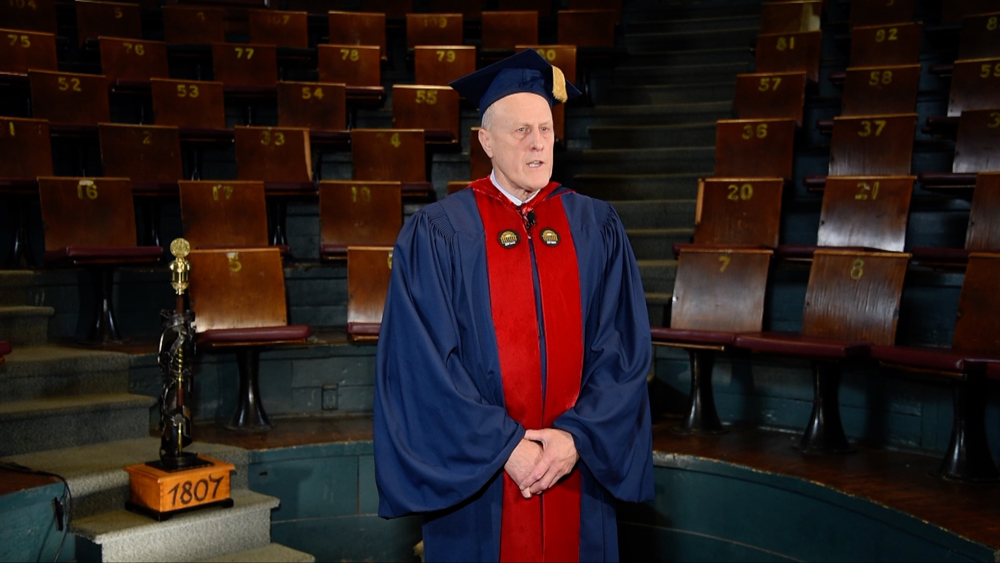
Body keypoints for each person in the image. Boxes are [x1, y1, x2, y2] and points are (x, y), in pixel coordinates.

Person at [373, 49, 654, 562]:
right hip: (482, 480)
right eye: (520, 130)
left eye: (545, 129)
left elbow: (624, 350)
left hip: (575, 471)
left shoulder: (596, 227)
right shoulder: (438, 234)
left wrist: (577, 439)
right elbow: (422, 365)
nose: (538, 144)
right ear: (485, 142)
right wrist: (506, 448)